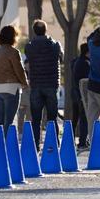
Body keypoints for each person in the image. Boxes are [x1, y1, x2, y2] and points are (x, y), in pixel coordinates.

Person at [24, 19, 64, 150]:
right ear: (46, 30)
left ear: (34, 31)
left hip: (36, 85)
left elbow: (27, 61)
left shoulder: (29, 47)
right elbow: (61, 58)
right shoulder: (55, 45)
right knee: (52, 117)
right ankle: (54, 144)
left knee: (36, 119)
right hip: (52, 85)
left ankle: (36, 146)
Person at [0, 24, 28, 130]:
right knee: (9, 121)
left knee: (0, 120)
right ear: (13, 37)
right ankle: (7, 144)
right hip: (12, 88)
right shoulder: (13, 52)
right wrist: (25, 83)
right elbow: (19, 70)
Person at [71, 43, 90, 149]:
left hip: (75, 93)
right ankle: (82, 141)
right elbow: (87, 80)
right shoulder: (86, 63)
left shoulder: (76, 61)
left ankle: (72, 139)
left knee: (75, 118)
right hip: (82, 95)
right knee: (84, 118)